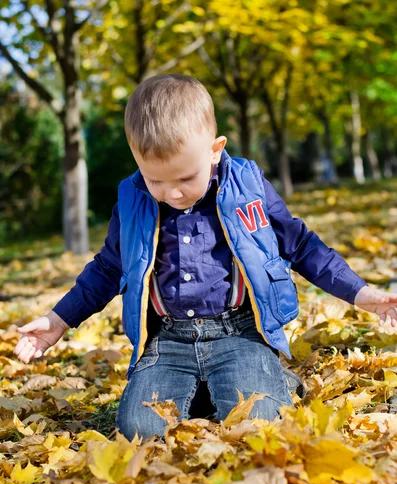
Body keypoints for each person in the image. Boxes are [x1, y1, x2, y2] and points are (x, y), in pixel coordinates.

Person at [13, 75, 397, 441]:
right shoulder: (133, 200)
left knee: (260, 423)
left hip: (240, 333)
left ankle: (263, 377)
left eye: (184, 178)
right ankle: (202, 388)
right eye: (155, 180)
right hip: (168, 342)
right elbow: (108, 269)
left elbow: (301, 246)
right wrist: (57, 321)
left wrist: (360, 293)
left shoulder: (247, 186)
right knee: (139, 431)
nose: (172, 193)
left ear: (215, 150)